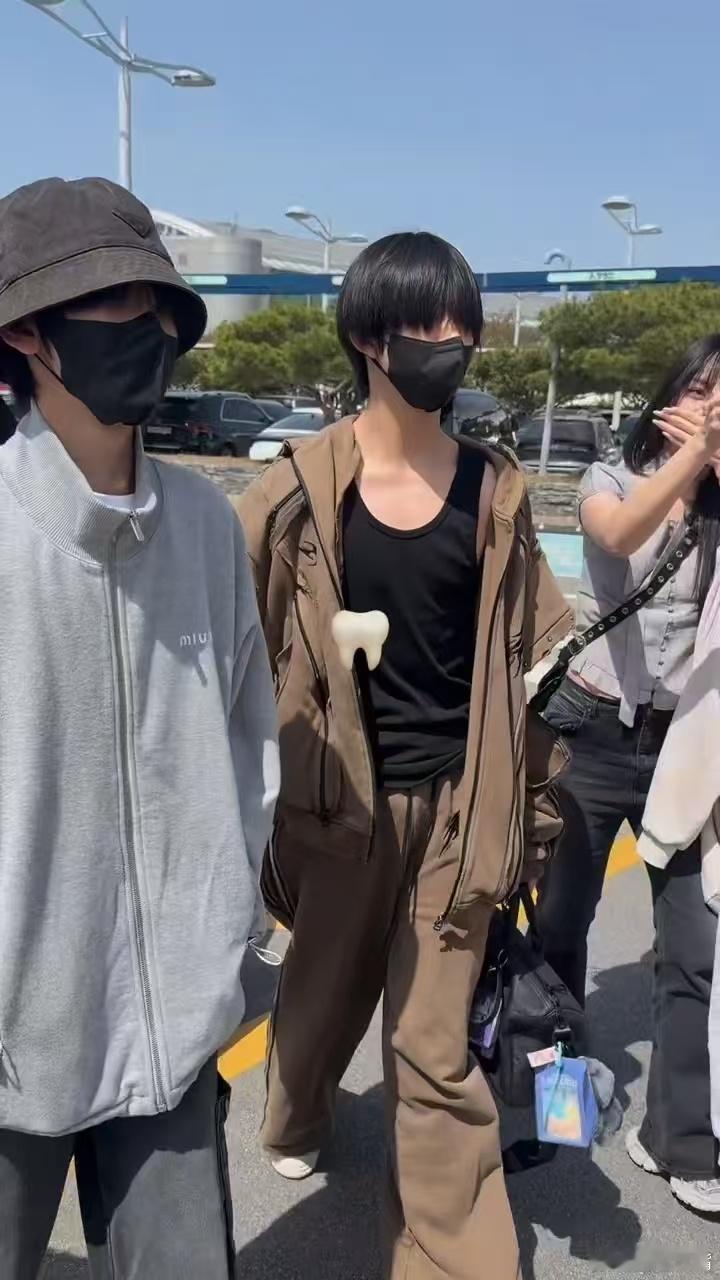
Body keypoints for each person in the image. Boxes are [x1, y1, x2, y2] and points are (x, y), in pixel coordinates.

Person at [240, 231, 571, 1280]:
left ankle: (456, 1253)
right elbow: (230, 636)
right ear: (368, 339)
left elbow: (536, 653)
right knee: (323, 992)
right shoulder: (298, 491)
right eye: (427, 323)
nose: (451, 341)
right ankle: (295, 1111)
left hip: (460, 806)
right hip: (336, 801)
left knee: (433, 1048)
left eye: (461, 322)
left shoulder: (496, 492)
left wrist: (540, 796)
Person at [0, 177, 279, 1278]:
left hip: (175, 1030)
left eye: (161, 304)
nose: (151, 328)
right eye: (117, 301)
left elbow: (250, 744)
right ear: (27, 331)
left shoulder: (206, 524)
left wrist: (227, 938)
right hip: (15, 1035)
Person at [535, 336, 720, 1214]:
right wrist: (693, 459)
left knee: (694, 946)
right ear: (668, 397)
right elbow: (618, 534)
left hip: (685, 745)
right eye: (701, 390)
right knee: (560, 925)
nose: (711, 407)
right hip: (593, 730)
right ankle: (556, 1102)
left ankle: (679, 1139)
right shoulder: (609, 475)